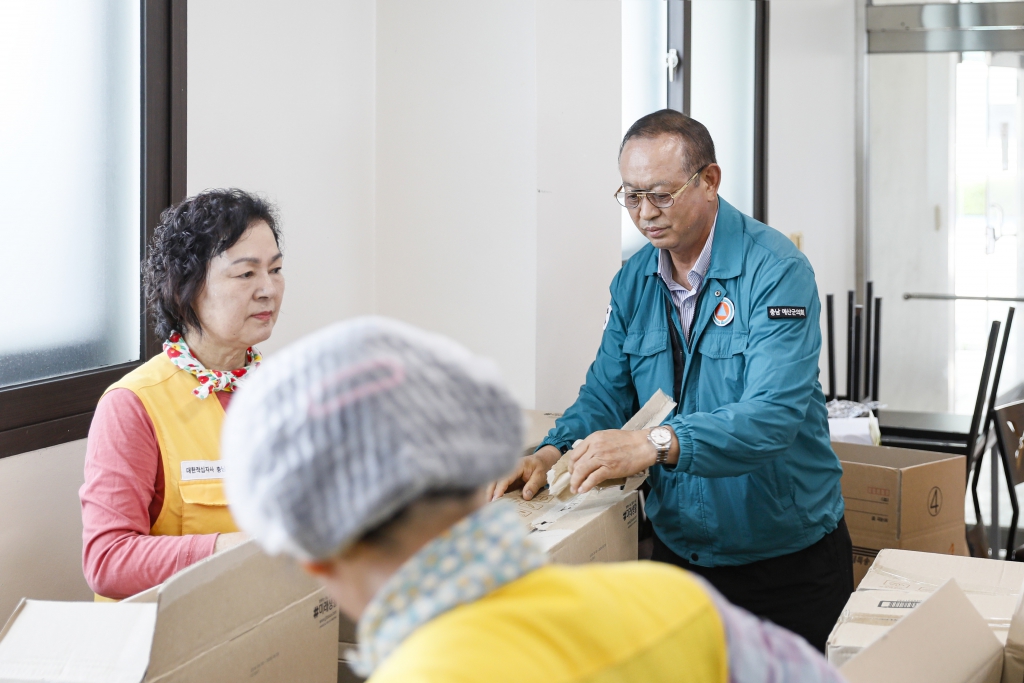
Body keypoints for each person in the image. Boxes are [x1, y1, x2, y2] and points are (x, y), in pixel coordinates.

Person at [220, 316, 844, 683]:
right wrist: (556, 448)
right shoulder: (672, 603)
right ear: (478, 476)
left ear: (315, 561)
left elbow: (775, 411)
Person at [489, 109, 852, 652]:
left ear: (709, 181)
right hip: (681, 556)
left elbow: (773, 416)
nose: (644, 214)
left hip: (784, 560)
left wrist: (654, 443)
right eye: (631, 196)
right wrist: (549, 452)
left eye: (660, 194)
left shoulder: (775, 269)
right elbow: (606, 392)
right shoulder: (636, 279)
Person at [79, 188, 284, 600]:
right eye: (246, 274)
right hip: (172, 640)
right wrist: (231, 549)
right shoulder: (133, 405)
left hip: (268, 616)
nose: (268, 290)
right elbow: (106, 561)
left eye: (275, 270)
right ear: (186, 288)